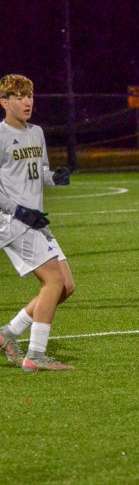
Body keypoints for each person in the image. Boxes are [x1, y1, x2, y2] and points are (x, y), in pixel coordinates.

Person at [0, 74, 74, 371]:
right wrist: (18, 211)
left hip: (36, 220)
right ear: (4, 103)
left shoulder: (37, 132)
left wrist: (55, 177)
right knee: (53, 281)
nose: (26, 101)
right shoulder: (1, 135)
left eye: (29, 95)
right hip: (12, 222)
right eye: (18, 97)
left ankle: (8, 334)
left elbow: (41, 171)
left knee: (65, 286)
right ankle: (36, 355)